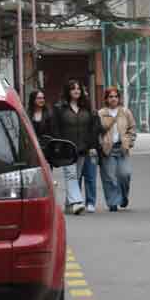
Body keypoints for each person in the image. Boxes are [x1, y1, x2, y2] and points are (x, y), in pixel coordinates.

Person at [54, 79, 102, 215]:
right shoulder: (60, 108)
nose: (76, 91)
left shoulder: (86, 108)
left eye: (78, 89)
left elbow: (93, 128)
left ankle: (69, 205)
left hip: (83, 148)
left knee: (76, 175)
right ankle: (77, 202)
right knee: (71, 175)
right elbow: (56, 129)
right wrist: (58, 145)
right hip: (67, 149)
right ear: (68, 92)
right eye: (73, 89)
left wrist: (92, 146)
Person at [97, 87, 137, 212]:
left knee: (125, 174)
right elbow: (97, 131)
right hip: (107, 149)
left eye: (115, 96)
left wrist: (129, 141)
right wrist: (100, 144)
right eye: (110, 96)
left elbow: (132, 129)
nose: (113, 99)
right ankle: (113, 202)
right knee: (110, 177)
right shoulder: (101, 113)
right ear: (106, 99)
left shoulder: (125, 112)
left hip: (122, 148)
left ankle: (123, 197)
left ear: (119, 98)